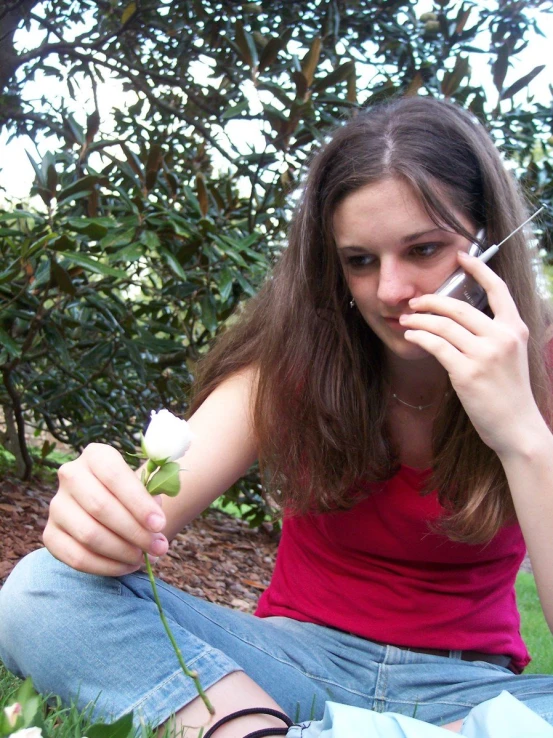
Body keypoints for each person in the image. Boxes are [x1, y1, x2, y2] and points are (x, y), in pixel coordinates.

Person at [1, 96, 553, 738]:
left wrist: (520, 435)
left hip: (470, 689)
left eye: (424, 250)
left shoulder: (543, 368)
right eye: (360, 261)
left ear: (491, 243)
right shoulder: (294, 362)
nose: (390, 291)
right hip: (289, 664)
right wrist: (102, 515)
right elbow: (145, 516)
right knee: (41, 590)